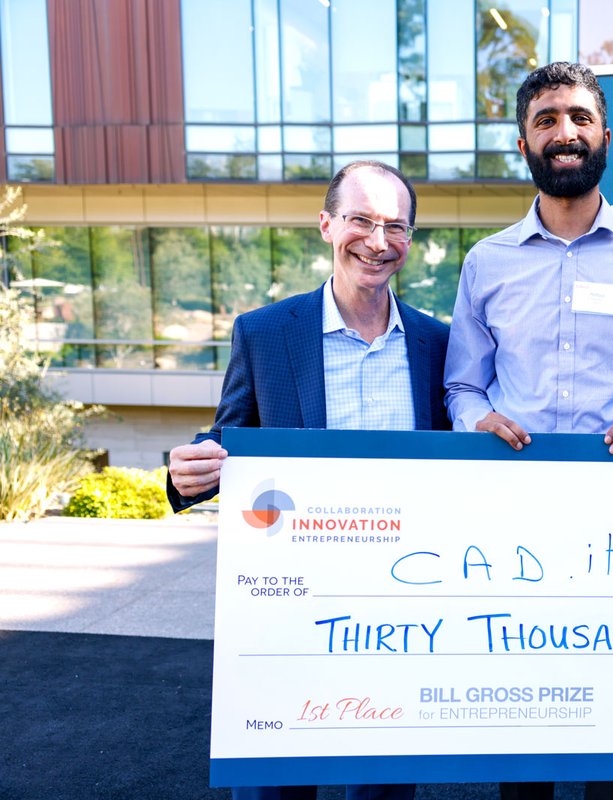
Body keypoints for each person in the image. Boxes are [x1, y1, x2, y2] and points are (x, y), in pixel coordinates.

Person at [443, 62, 613, 800]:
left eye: (579, 118)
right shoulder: (485, 262)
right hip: (512, 523)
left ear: (605, 137)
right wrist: (475, 417)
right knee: (522, 725)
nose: (565, 133)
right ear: (522, 143)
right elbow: (462, 382)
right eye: (547, 119)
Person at [166, 159, 449, 800]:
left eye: (396, 227)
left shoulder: (438, 344)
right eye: (361, 221)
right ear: (327, 225)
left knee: (381, 788)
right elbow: (229, 439)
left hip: (398, 613)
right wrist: (192, 472)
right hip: (290, 614)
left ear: (409, 240)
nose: (378, 242)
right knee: (277, 788)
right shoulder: (265, 333)